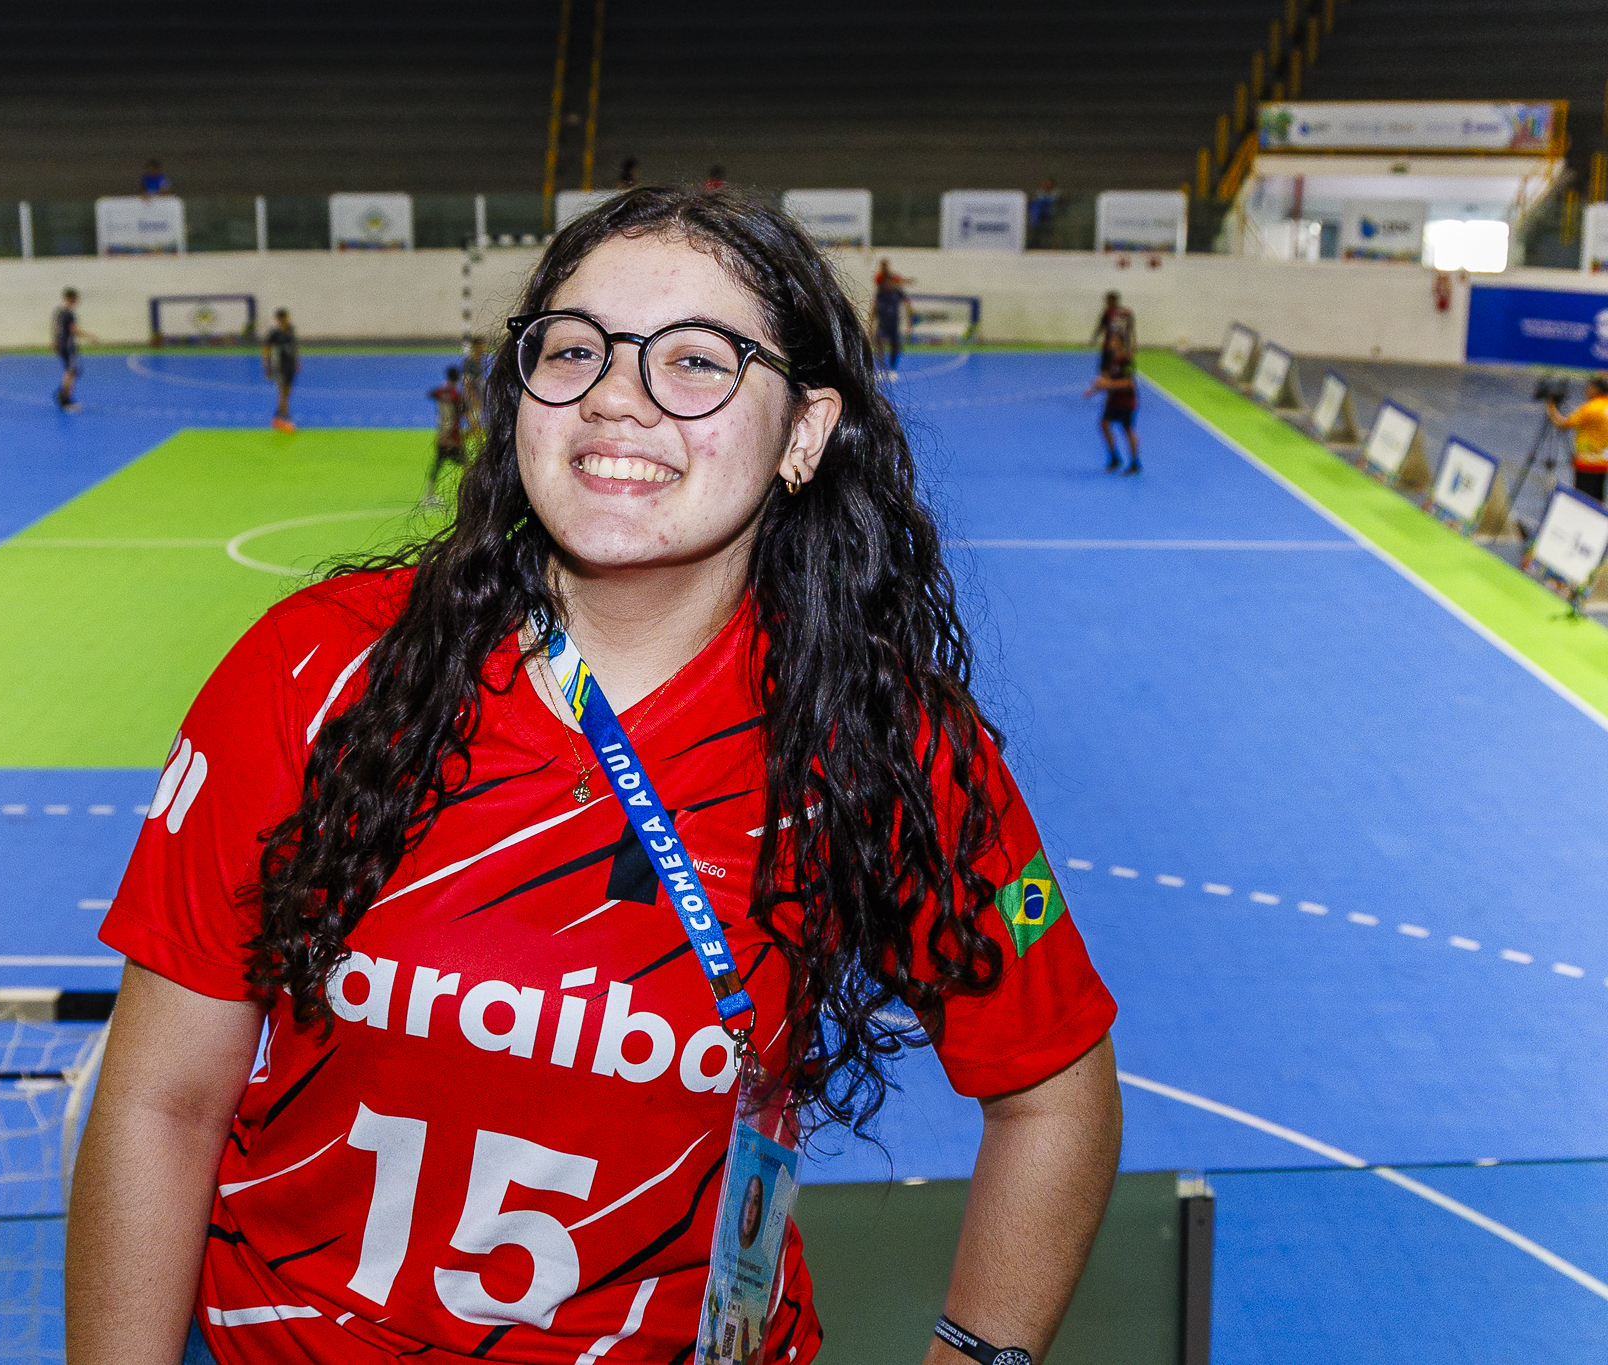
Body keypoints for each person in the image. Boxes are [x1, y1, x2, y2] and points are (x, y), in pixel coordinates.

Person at [69, 188, 1121, 1365]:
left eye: (695, 361)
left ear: (804, 432)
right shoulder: (317, 671)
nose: (617, 394)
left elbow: (1053, 1096)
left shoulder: (881, 741)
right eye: (574, 349)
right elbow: (163, 1102)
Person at [1545, 372, 1608, 503]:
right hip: (1602, 462)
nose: (1586, 390)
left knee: (1583, 502)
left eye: (1588, 387)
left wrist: (1550, 405)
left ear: (1595, 389)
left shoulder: (1590, 408)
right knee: (1597, 499)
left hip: (1586, 463)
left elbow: (1562, 423)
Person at [1085, 337, 1141, 475]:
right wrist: (1094, 389)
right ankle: (1114, 458)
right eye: (1110, 342)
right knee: (1104, 425)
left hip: (1126, 401)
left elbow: (1129, 383)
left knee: (1127, 430)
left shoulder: (1126, 361)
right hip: (1113, 400)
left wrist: (1107, 384)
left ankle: (1134, 463)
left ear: (1121, 345)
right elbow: (1109, 379)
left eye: (1114, 342)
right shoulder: (1112, 360)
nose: (1110, 344)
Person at [422, 364, 466, 505]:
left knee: (437, 466)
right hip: (452, 438)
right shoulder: (456, 395)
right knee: (468, 466)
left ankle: (428, 496)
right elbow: (462, 411)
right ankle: (469, 495)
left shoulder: (442, 392)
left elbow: (430, 393)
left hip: (441, 436)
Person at [55, 288, 99, 412]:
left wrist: (56, 344)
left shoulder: (61, 312)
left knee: (68, 371)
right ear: (72, 299)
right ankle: (66, 401)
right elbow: (73, 330)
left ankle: (62, 395)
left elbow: (57, 330)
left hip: (62, 345)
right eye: (76, 299)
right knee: (72, 371)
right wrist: (91, 336)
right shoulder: (69, 314)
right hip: (68, 346)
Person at [263, 308, 299, 432]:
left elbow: (294, 347)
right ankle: (287, 421)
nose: (285, 320)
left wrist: (296, 363)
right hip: (279, 367)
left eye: (286, 318)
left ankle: (276, 418)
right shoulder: (274, 334)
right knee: (283, 394)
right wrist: (267, 367)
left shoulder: (291, 331)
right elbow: (266, 350)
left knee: (287, 394)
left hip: (289, 367)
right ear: (278, 319)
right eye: (282, 318)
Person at [872, 259, 908, 374]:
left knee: (894, 344)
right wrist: (871, 321)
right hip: (883, 319)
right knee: (879, 341)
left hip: (893, 321)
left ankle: (892, 367)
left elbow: (900, 282)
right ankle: (881, 366)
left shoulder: (895, 288)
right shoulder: (879, 280)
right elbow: (875, 305)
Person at [1090, 291, 1135, 359]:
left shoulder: (1124, 313)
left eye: (1109, 301)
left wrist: (1133, 342)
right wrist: (1094, 338)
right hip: (1109, 344)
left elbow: (1130, 328)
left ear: (1115, 301)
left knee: (1121, 363)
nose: (1107, 303)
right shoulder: (1107, 312)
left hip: (1122, 344)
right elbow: (1101, 326)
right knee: (1107, 364)